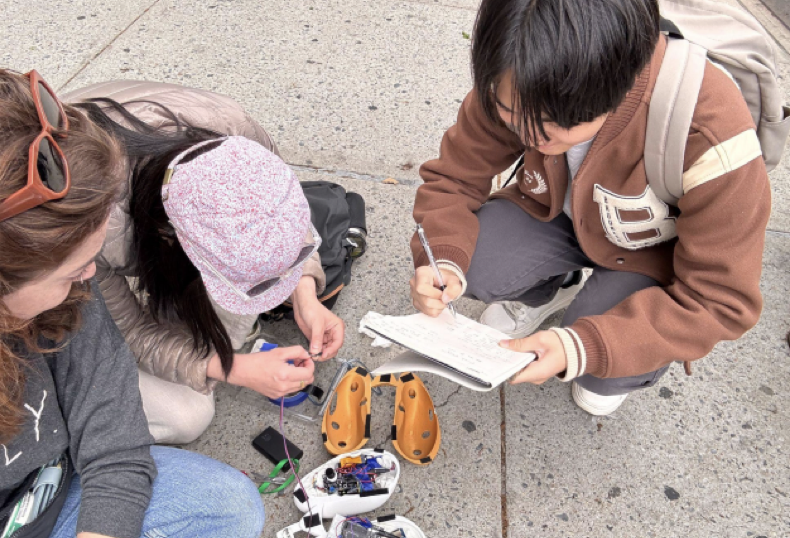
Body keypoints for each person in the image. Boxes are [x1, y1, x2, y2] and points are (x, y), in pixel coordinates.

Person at [0, 68, 290, 538]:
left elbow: (116, 452)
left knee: (228, 506)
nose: (90, 277)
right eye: (72, 269)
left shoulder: (67, 297)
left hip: (43, 495)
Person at [409, 0, 770, 415]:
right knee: (469, 263)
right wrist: (443, 258)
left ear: (621, 87)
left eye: (554, 123)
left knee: (601, 369)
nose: (528, 133)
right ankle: (551, 287)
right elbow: (454, 177)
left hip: (649, 251)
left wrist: (583, 347)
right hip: (555, 213)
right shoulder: (516, 73)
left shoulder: (712, 135)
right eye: (510, 112)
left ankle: (610, 345)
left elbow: (721, 300)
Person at [56, 81, 345, 444]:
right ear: (174, 239)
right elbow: (129, 332)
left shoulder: (237, 132)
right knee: (186, 416)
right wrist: (232, 368)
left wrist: (305, 293)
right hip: (68, 239)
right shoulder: (90, 226)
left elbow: (284, 217)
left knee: (219, 333)